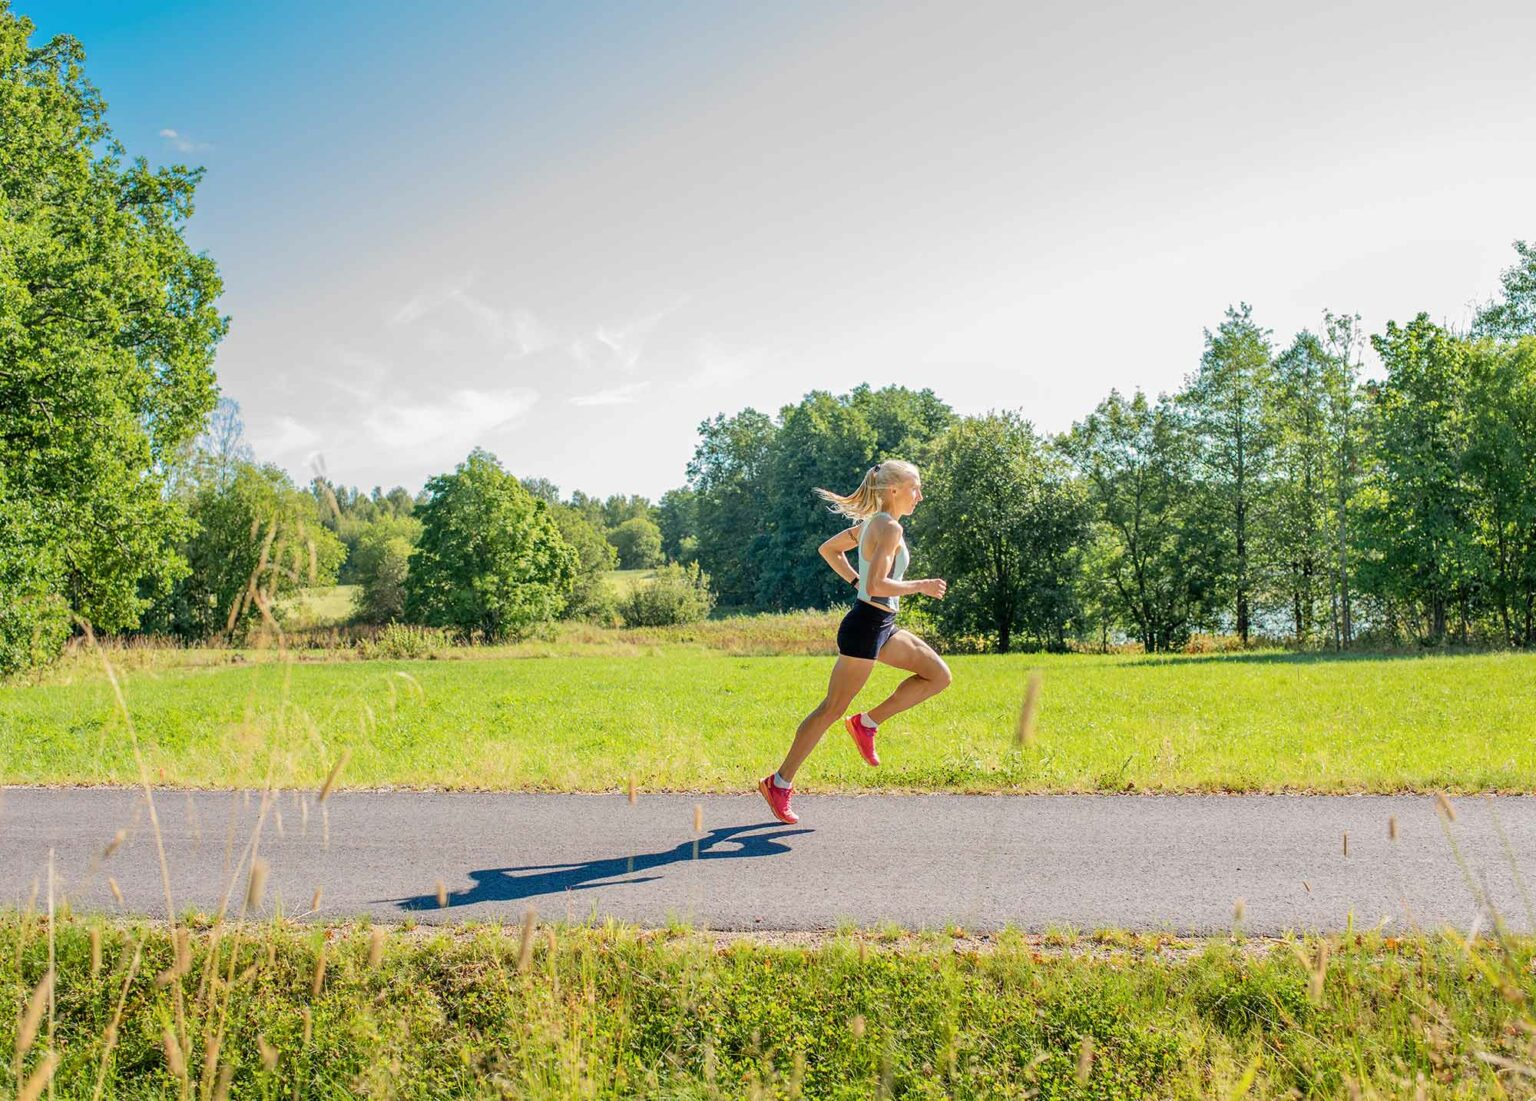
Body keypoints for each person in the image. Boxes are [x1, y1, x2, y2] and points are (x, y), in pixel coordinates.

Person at [758, 459, 950, 824]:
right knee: (830, 709)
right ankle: (779, 782)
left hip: (883, 624)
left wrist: (855, 582)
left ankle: (867, 723)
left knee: (938, 675)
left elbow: (829, 550)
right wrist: (920, 586)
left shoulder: (873, 526)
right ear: (893, 490)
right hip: (866, 627)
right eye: (915, 488)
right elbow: (876, 584)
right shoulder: (887, 527)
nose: (920, 496)